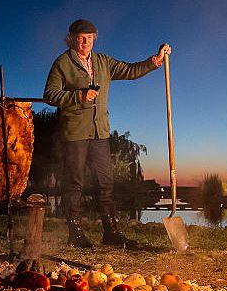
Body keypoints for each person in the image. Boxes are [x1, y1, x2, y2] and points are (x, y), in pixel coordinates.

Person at [44, 19, 171, 248]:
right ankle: (75, 233)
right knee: (75, 183)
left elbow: (130, 70)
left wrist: (156, 60)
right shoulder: (62, 63)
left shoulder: (102, 61)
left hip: (100, 131)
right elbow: (50, 95)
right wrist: (79, 96)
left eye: (89, 38)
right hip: (75, 132)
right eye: (81, 38)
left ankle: (110, 232)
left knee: (106, 182)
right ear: (72, 39)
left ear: (94, 39)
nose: (85, 43)